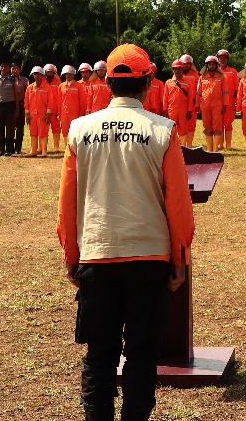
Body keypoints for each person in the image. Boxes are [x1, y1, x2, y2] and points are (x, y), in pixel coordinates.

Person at [57, 43, 193, 421]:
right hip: (149, 257)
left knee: (99, 354)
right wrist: (179, 257)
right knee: (142, 353)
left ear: (106, 82)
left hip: (97, 254)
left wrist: (71, 254)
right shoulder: (163, 131)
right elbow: (177, 203)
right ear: (149, 81)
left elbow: (67, 201)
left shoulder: (79, 130)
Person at [0, 61, 20, 157]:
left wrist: (17, 109)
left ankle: (9, 149)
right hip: (0, 105)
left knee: (10, 128)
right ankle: (1, 149)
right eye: (2, 66)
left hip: (10, 105)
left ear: (8, 69)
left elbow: (16, 95)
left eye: (5, 67)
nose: (3, 68)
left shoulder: (12, 79)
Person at [164, 60, 195, 147]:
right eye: (175, 69)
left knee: (183, 130)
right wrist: (165, 110)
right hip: (171, 110)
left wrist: (189, 111)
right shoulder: (168, 82)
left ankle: (183, 147)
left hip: (183, 110)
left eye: (179, 69)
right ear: (173, 70)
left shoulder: (188, 83)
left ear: (182, 70)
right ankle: (171, 147)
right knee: (171, 129)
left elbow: (190, 98)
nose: (177, 71)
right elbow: (165, 98)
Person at [25, 66, 53, 157]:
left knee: (43, 132)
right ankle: (33, 151)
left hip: (43, 114)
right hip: (33, 114)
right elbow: (27, 102)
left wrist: (48, 113)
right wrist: (27, 113)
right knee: (33, 132)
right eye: (35, 74)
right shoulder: (30, 88)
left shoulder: (47, 87)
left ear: (43, 76)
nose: (36, 76)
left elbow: (50, 101)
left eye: (38, 74)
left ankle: (44, 151)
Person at [216, 50, 240, 148]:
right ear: (218, 59)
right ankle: (220, 144)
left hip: (229, 102)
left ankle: (228, 145)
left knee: (228, 123)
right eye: (221, 58)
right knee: (219, 123)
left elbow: (237, 88)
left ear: (227, 59)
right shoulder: (214, 72)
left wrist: (235, 102)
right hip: (218, 102)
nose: (222, 60)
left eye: (224, 58)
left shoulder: (233, 71)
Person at [59, 65, 86, 149]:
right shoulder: (61, 86)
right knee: (65, 131)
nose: (68, 75)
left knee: (74, 131)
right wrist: (59, 113)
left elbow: (82, 101)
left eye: (70, 74)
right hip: (64, 113)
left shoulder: (79, 86)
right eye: (66, 74)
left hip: (75, 113)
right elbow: (59, 101)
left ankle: (74, 148)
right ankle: (67, 148)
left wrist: (81, 113)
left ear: (73, 75)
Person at [44, 64, 64, 155]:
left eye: (51, 72)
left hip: (55, 110)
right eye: (48, 72)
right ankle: (43, 147)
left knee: (56, 129)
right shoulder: (43, 82)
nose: (50, 73)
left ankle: (56, 147)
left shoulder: (58, 82)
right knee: (44, 129)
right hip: (45, 110)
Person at [11, 62, 29, 155]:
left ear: (20, 70)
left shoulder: (25, 80)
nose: (15, 70)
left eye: (16, 68)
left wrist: (26, 107)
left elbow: (28, 94)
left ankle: (18, 147)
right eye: (13, 68)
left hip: (22, 104)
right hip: (11, 104)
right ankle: (11, 147)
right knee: (11, 127)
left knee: (20, 127)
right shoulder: (8, 79)